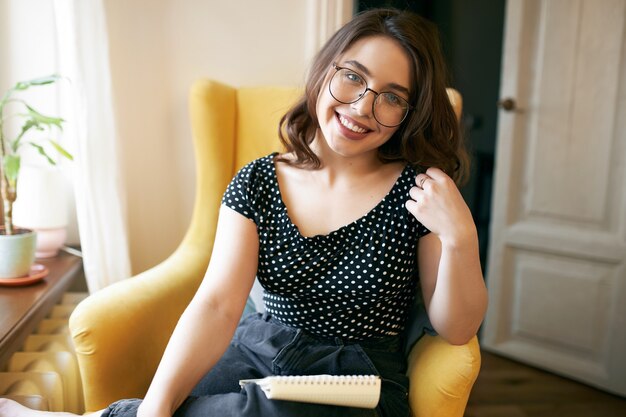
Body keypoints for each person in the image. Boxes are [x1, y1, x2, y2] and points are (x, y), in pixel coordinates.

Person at [0, 8, 487, 417]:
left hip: (355, 378)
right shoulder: (256, 182)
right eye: (353, 77)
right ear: (326, 70)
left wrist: (462, 237)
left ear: (409, 112)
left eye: (392, 98)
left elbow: (455, 328)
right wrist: (155, 407)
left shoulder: (421, 192)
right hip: (255, 349)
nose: (362, 107)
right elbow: (216, 305)